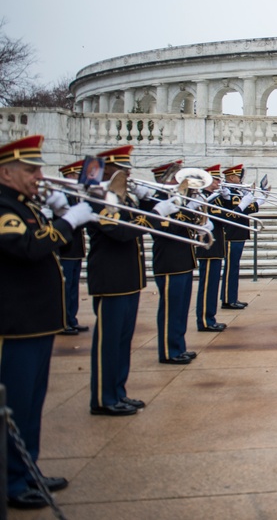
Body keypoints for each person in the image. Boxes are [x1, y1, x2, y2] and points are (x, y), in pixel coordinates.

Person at [1, 135, 96, 509]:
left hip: (37, 323)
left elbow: (62, 246)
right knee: (16, 405)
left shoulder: (25, 205)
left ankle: (27, 469)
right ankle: (11, 481)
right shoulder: (4, 207)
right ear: (6, 173)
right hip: (17, 325)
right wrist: (65, 219)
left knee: (32, 403)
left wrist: (64, 217)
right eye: (30, 170)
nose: (39, 176)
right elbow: (26, 248)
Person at [87, 145, 156, 416]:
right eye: (122, 168)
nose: (128, 173)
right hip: (111, 279)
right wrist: (150, 213)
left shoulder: (123, 198)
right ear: (108, 170)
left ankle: (118, 391)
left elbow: (138, 222)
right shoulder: (98, 198)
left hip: (129, 278)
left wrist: (150, 201)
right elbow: (120, 232)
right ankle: (104, 398)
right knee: (108, 342)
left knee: (122, 341)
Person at [149, 160, 200, 365]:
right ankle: (169, 351)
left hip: (183, 260)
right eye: (176, 176)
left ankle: (178, 346)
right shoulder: (157, 201)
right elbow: (165, 231)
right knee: (171, 310)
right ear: (166, 179)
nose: (181, 180)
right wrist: (187, 213)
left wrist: (192, 210)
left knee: (180, 309)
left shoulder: (178, 199)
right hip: (170, 262)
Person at [221, 164, 266, 310]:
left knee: (234, 268)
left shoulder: (236, 192)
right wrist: (246, 199)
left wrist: (261, 199)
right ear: (232, 177)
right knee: (231, 269)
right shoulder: (228, 192)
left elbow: (247, 209)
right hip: (231, 234)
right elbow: (235, 212)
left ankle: (231, 297)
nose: (241, 180)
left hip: (238, 233)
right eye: (239, 177)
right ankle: (228, 299)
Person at [57, 159, 90, 336]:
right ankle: (64, 321)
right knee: (66, 287)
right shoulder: (63, 195)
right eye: (77, 174)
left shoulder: (76, 194)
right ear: (70, 175)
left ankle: (72, 319)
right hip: (67, 249)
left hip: (76, 249)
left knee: (73, 287)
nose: (80, 178)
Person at [195, 165, 229, 333]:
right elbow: (223, 217)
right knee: (208, 285)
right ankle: (205, 320)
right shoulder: (203, 198)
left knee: (213, 285)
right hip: (208, 247)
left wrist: (227, 199)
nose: (219, 182)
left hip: (215, 247)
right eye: (216, 179)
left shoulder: (213, 198)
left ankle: (210, 317)